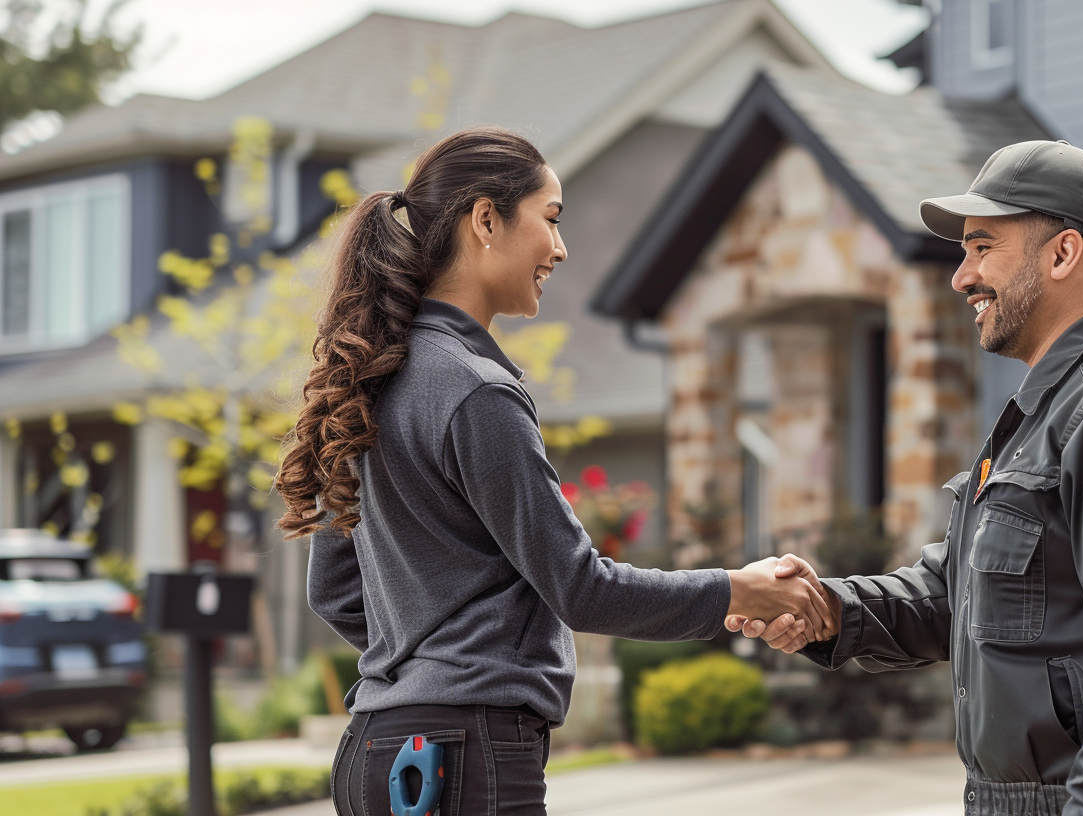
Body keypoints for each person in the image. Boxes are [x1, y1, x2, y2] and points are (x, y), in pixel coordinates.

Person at [274, 126, 830, 816]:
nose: (560, 248)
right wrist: (739, 591)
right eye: (551, 219)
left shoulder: (368, 379)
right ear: (486, 219)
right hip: (462, 756)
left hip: (376, 755)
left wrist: (428, 661)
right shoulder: (475, 389)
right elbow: (581, 588)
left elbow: (333, 591)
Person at [731, 140, 1083, 816]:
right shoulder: (1046, 411)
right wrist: (831, 610)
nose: (960, 275)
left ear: (1062, 254)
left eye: (982, 247)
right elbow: (962, 595)